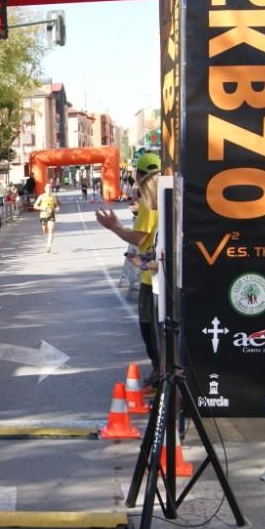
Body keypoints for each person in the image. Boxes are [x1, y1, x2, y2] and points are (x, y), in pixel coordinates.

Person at [96, 152, 161, 386]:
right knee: (160, 329)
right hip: (161, 270)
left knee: (149, 329)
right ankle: (162, 375)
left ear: (138, 174)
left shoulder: (149, 200)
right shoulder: (165, 196)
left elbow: (139, 237)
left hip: (151, 276)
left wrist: (114, 227)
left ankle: (159, 376)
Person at [34, 185, 60, 252]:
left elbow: (56, 206)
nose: (49, 189)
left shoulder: (53, 197)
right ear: (45, 189)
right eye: (48, 188)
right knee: (45, 231)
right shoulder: (41, 196)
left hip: (51, 215)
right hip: (43, 216)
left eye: (50, 188)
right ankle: (47, 235)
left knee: (51, 231)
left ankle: (49, 246)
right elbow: (35, 206)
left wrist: (56, 209)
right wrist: (43, 208)